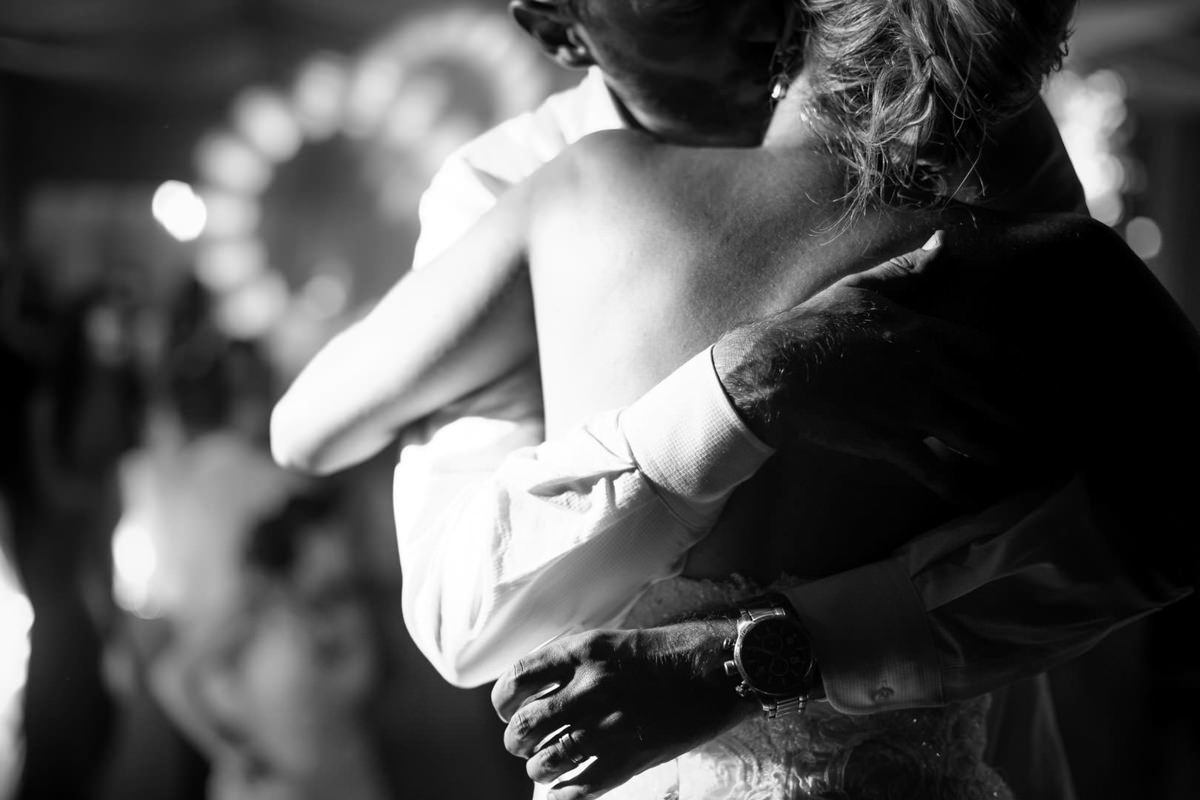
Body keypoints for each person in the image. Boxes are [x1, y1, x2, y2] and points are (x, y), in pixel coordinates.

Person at [270, 0, 1199, 797]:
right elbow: (461, 622)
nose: (749, 13)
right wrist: (739, 389)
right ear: (557, 26)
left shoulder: (1006, 186)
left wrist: (763, 656)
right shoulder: (517, 179)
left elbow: (1142, 528)